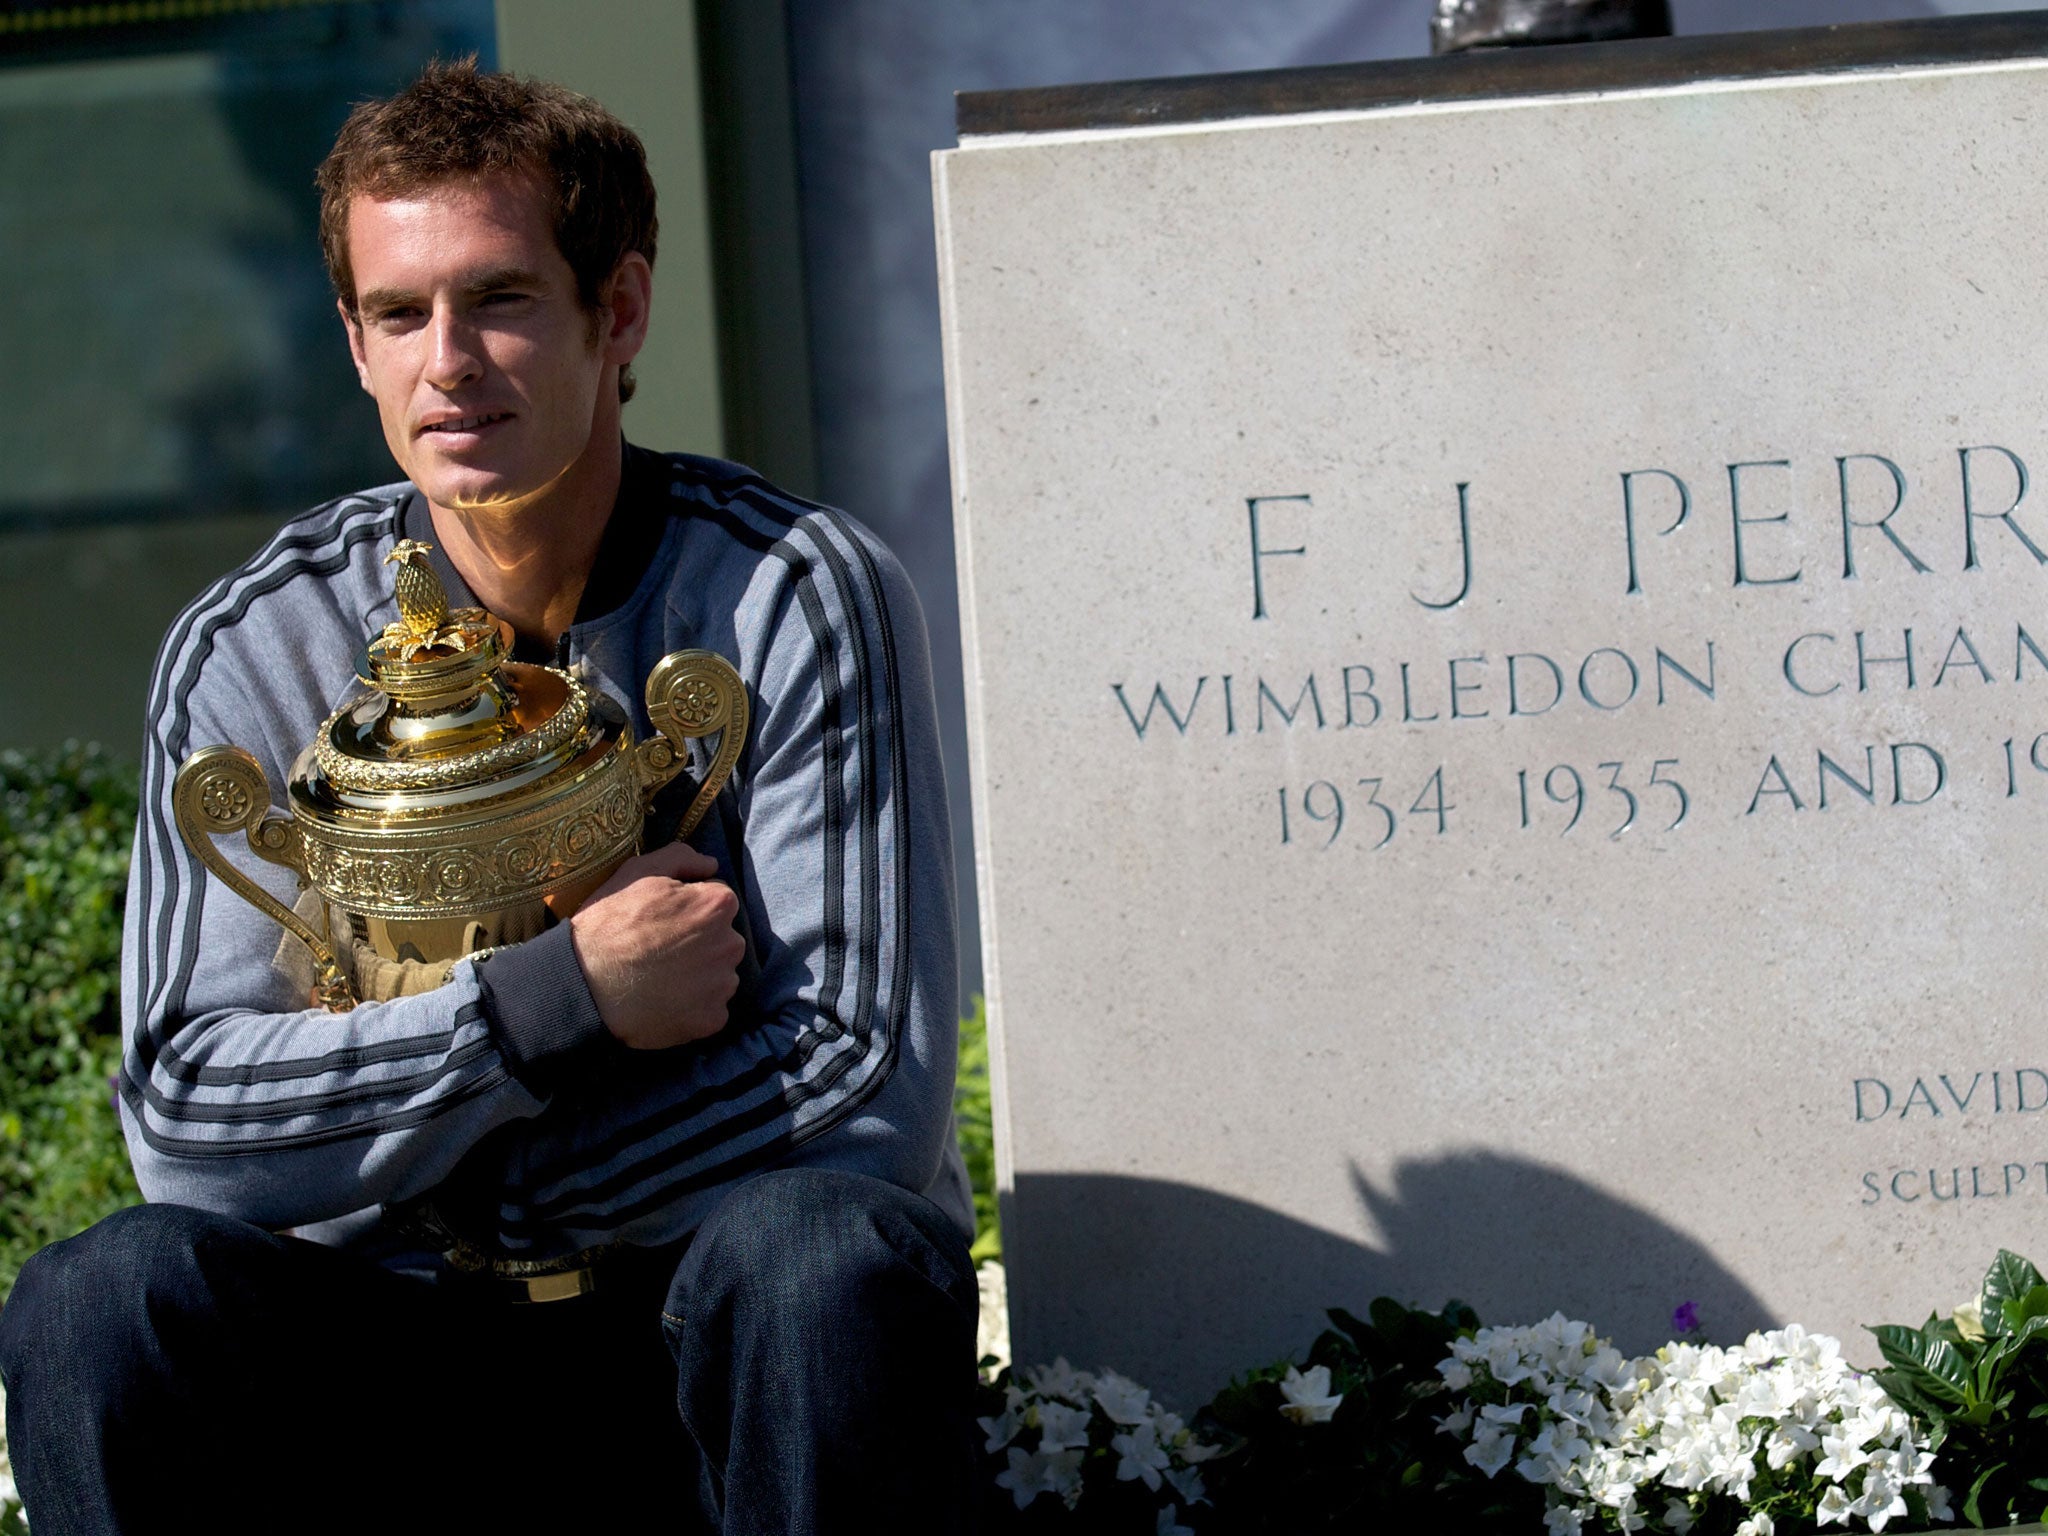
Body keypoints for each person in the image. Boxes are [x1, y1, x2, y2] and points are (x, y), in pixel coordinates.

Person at [0, 59, 980, 1534]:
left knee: (823, 1253)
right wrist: (554, 1003)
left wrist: (446, 1168)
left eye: (502, 299)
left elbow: (854, 1087)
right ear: (354, 342)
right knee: (102, 1301)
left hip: (700, 1335)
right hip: (380, 1353)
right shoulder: (253, 643)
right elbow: (188, 1122)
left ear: (622, 312)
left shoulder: (793, 593)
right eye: (400, 314)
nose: (447, 359)